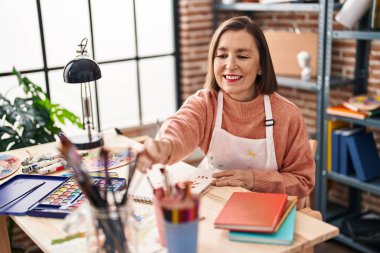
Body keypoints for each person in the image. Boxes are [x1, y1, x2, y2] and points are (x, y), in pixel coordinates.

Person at [135, 16, 315, 198]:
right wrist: (165, 146)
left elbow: (302, 181)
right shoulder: (205, 104)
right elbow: (182, 125)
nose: (230, 65)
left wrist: (253, 180)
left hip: (265, 207)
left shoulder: (287, 115)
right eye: (221, 56)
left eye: (242, 56)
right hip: (214, 199)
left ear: (261, 65)